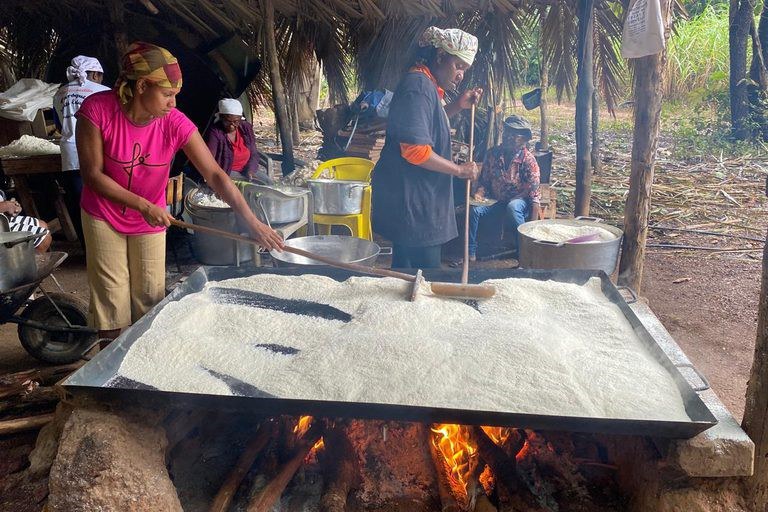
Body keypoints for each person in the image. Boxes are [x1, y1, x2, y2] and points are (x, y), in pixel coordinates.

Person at [76, 42, 284, 343]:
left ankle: (144, 358)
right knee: (111, 301)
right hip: (104, 214)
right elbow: (92, 175)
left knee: (149, 296)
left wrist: (253, 223)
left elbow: (215, 174)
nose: (173, 103)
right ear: (142, 86)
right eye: (167, 94)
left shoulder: (174, 123)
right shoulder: (97, 110)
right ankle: (109, 362)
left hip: (149, 217)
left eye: (176, 94)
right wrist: (143, 205)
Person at [371, 26, 483, 269]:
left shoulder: (426, 85)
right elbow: (415, 150)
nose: (460, 75)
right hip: (416, 205)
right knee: (425, 274)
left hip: (417, 202)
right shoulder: (418, 87)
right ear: (440, 56)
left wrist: (457, 106)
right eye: (458, 66)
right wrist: (459, 170)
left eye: (464, 70)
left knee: (407, 272)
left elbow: (426, 124)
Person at [53, 56, 111, 244]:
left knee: (80, 203)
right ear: (95, 74)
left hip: (70, 154)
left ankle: (87, 248)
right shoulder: (104, 92)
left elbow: (59, 126)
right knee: (102, 202)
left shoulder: (60, 93)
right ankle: (105, 245)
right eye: (100, 76)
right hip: (97, 153)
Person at [468, 115, 541, 260]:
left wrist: (532, 230)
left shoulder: (528, 161)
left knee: (513, 207)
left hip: (519, 202)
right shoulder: (493, 154)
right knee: (474, 210)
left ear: (524, 139)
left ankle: (524, 250)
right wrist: (479, 193)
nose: (508, 137)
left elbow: (534, 198)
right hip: (497, 200)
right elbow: (484, 181)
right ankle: (470, 251)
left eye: (514, 134)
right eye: (507, 132)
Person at [204, 98, 272, 184]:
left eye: (236, 122)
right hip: (227, 171)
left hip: (246, 170)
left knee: (267, 182)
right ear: (221, 118)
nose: (232, 125)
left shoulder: (246, 128)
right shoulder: (215, 132)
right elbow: (210, 158)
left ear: (240, 119)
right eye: (227, 121)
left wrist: (250, 170)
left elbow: (254, 153)